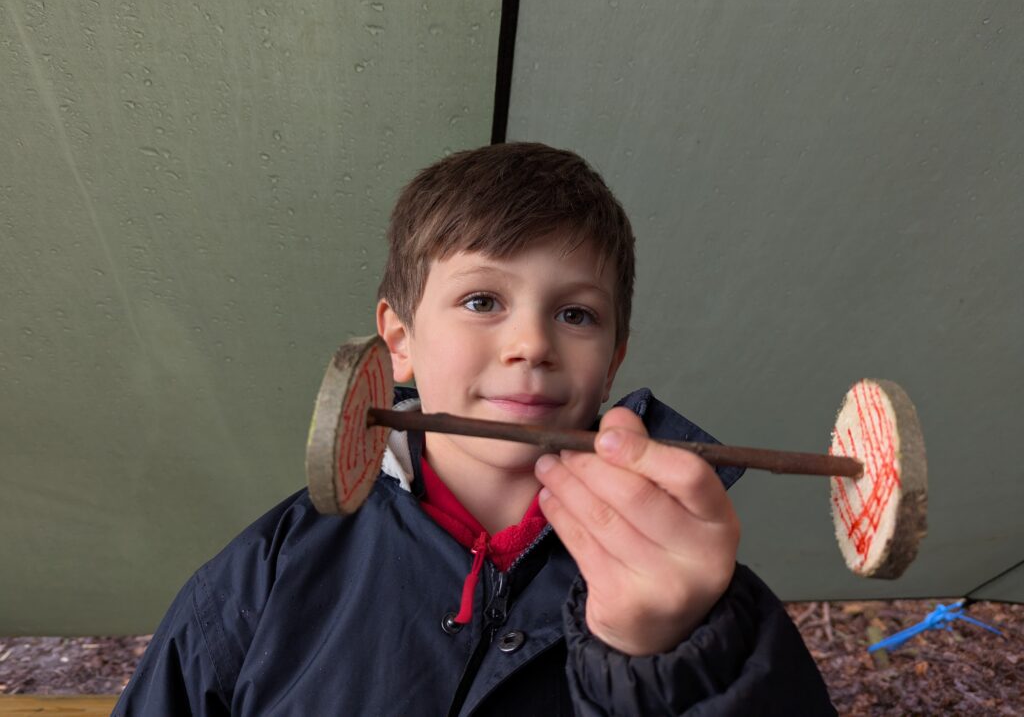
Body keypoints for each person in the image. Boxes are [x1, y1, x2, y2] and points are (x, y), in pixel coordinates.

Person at [114, 143, 835, 715]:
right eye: (483, 299)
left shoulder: (690, 589)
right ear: (398, 340)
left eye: (576, 313)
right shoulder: (269, 572)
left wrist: (665, 659)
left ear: (613, 361)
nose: (532, 343)